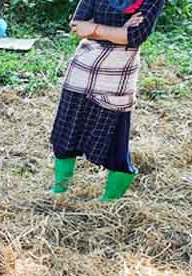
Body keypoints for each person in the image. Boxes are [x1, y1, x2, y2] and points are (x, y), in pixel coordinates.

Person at [49, 0, 166, 201]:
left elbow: (135, 36)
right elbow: (77, 25)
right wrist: (117, 32)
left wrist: (94, 28)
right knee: (65, 132)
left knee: (113, 138)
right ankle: (59, 192)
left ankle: (109, 202)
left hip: (117, 75)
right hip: (82, 70)